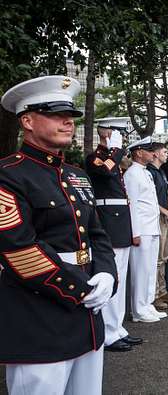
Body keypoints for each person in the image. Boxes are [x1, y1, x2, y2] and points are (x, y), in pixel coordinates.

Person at [0, 75, 117, 394]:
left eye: (70, 116)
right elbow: (19, 251)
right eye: (54, 114)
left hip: (89, 319)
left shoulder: (76, 175)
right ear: (27, 120)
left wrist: (106, 274)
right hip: (40, 319)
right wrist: (80, 290)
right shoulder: (8, 176)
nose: (68, 121)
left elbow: (97, 233)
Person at [86, 116, 143, 353]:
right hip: (109, 223)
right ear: (106, 134)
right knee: (112, 277)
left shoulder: (113, 160)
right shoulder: (95, 159)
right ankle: (109, 332)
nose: (123, 141)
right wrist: (116, 150)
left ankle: (117, 327)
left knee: (119, 278)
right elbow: (106, 174)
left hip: (119, 223)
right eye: (119, 134)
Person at [124, 136, 167, 322]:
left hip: (152, 227)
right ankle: (138, 310)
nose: (152, 153)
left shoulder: (146, 173)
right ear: (138, 153)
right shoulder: (132, 174)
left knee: (149, 269)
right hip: (141, 228)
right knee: (141, 271)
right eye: (148, 150)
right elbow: (132, 205)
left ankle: (147, 304)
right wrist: (135, 232)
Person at [147, 142, 168, 311]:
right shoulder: (149, 173)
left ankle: (162, 290)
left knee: (164, 257)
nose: (167, 154)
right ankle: (154, 296)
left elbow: (164, 194)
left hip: (165, 216)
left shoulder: (161, 172)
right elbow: (152, 200)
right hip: (157, 217)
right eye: (164, 151)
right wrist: (167, 213)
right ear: (155, 154)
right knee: (157, 259)